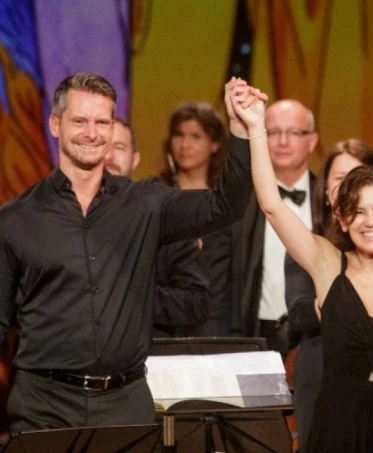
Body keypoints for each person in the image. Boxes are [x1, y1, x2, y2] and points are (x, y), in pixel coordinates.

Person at [0, 73, 260, 432]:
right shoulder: (15, 219)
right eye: (80, 121)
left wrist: (242, 130)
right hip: (43, 408)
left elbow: (225, 206)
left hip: (125, 406)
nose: (92, 133)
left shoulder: (146, 204)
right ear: (55, 124)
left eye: (102, 122)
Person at [229, 91, 373, 452]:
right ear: (342, 219)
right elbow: (271, 205)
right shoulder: (327, 263)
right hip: (336, 429)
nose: (370, 222)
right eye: (357, 212)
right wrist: (256, 128)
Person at [284, 139, 373, 452]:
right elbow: (299, 315)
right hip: (320, 372)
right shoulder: (308, 246)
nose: (351, 186)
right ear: (326, 190)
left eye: (360, 176)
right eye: (341, 178)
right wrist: (336, 299)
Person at [104, 118, 211, 336]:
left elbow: (196, 302)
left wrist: (129, 298)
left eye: (119, 147)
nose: (109, 157)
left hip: (147, 352)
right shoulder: (56, 217)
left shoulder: (166, 218)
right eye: (102, 146)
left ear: (135, 160)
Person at [230, 99, 318, 358]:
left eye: (294, 132)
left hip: (316, 334)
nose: (283, 142)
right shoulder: (240, 202)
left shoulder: (327, 199)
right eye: (273, 132)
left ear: (312, 141)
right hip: (255, 333)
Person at [156, 102, 233, 336]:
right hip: (165, 320)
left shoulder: (227, 201)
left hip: (218, 320)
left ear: (214, 144)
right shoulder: (154, 194)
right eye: (179, 135)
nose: (185, 145)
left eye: (195, 136)